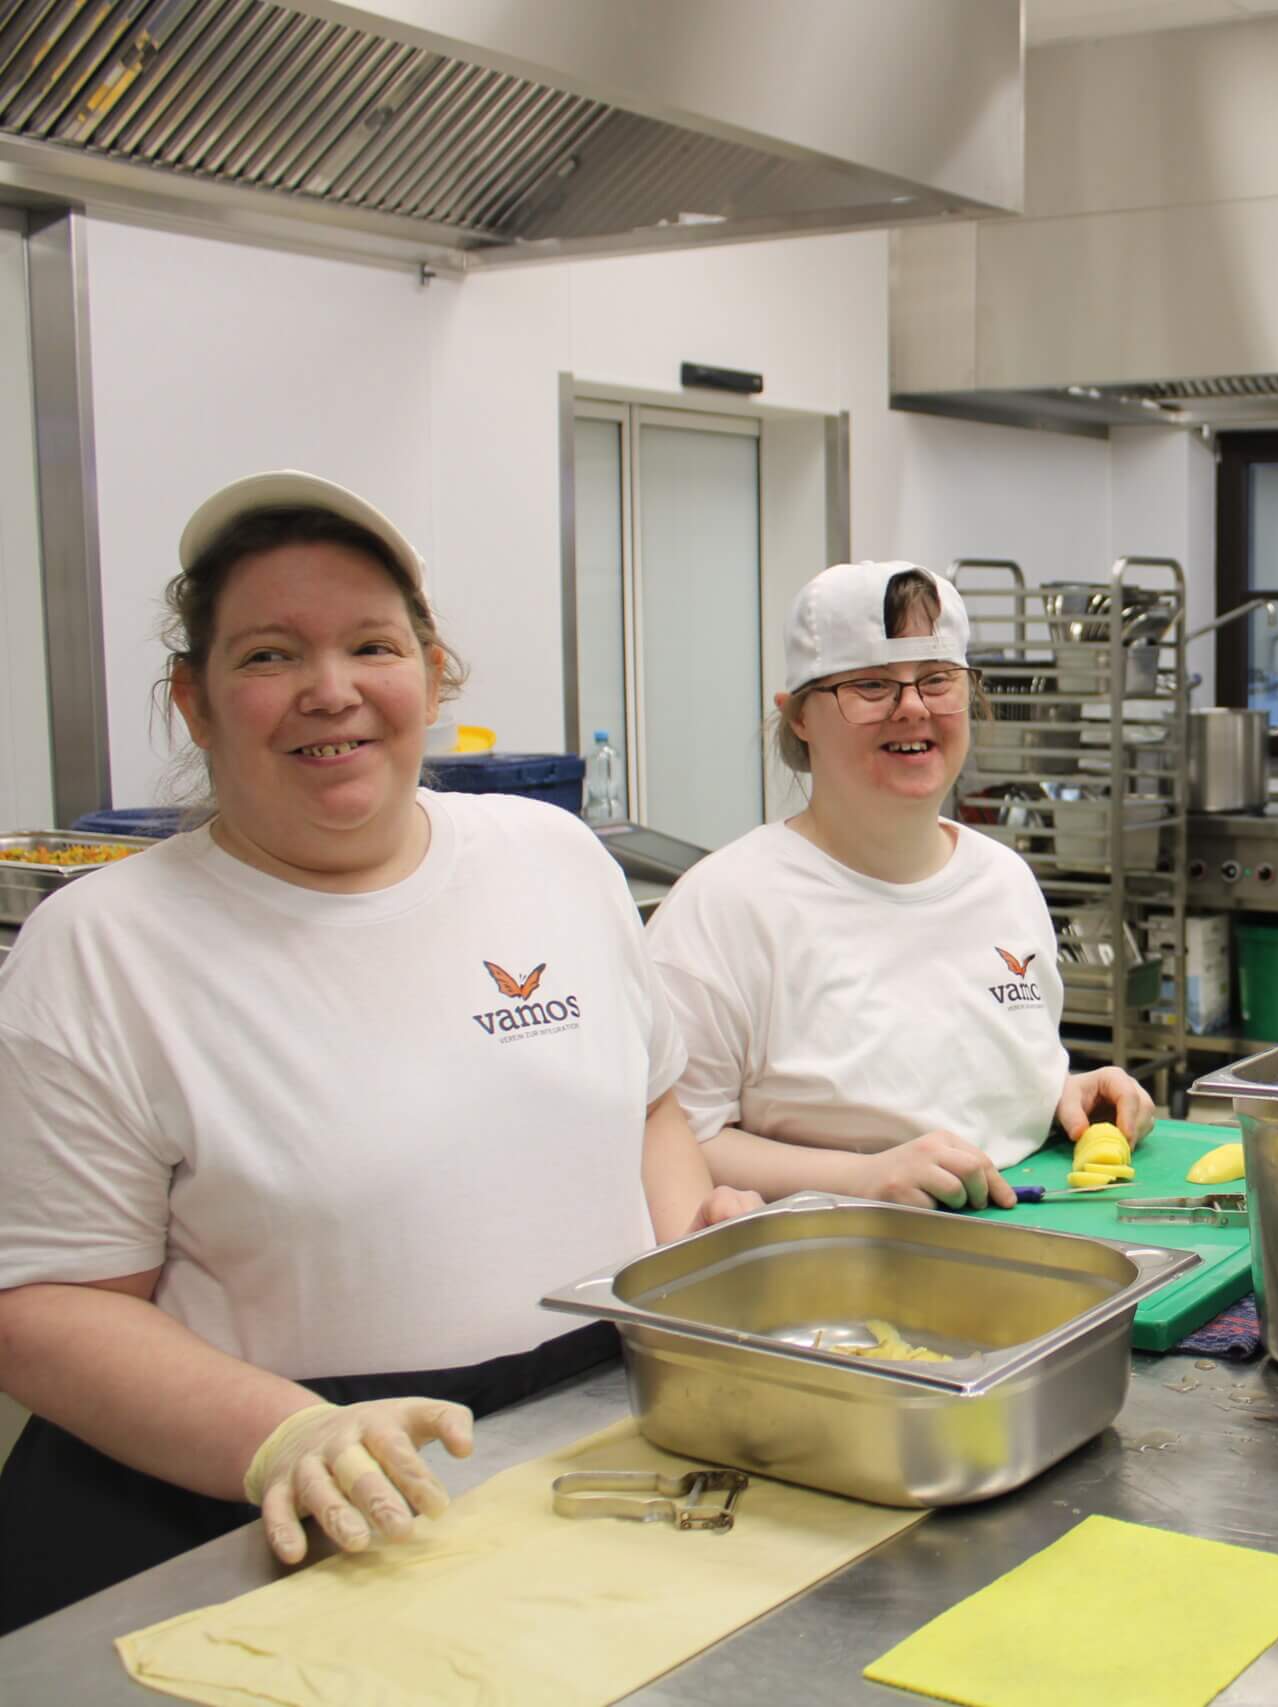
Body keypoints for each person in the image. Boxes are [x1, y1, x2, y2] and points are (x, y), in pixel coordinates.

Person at [0, 473, 758, 1634]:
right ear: (192, 702)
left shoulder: (551, 857)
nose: (331, 691)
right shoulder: (102, 950)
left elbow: (649, 1109)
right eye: (267, 656)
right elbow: (45, 1308)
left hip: (588, 1436)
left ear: (431, 671)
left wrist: (677, 1258)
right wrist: (282, 1435)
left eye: (372, 644)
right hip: (260, 1498)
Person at [645, 562, 1155, 1209]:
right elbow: (677, 1139)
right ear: (798, 715)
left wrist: (1062, 1093)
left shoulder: (1004, 880)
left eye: (937, 680)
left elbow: (965, 1076)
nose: (912, 707)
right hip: (836, 1272)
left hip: (1036, 1234)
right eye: (872, 684)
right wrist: (859, 1177)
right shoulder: (725, 908)